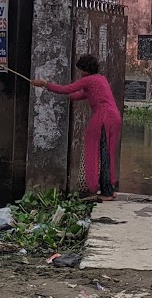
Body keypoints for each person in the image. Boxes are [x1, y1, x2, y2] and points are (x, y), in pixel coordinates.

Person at [33, 54, 122, 200]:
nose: (80, 73)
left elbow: (66, 89)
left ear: (85, 69)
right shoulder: (100, 79)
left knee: (103, 155)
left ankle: (107, 192)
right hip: (114, 117)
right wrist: (66, 96)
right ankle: (109, 190)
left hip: (104, 117)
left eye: (80, 69)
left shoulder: (88, 80)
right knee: (107, 153)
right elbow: (80, 95)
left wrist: (44, 84)